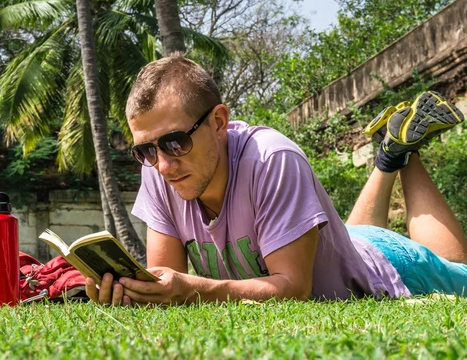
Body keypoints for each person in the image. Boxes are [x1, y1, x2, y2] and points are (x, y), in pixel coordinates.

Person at [85, 54, 467, 305]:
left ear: (218, 122)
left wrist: (195, 289)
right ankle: (390, 152)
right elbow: (169, 282)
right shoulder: (157, 170)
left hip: (392, 263)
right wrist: (136, 291)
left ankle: (404, 155)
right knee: (348, 243)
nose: (163, 165)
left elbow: (293, 287)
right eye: (146, 150)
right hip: (348, 243)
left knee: (462, 272)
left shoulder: (271, 159)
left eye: (175, 142)